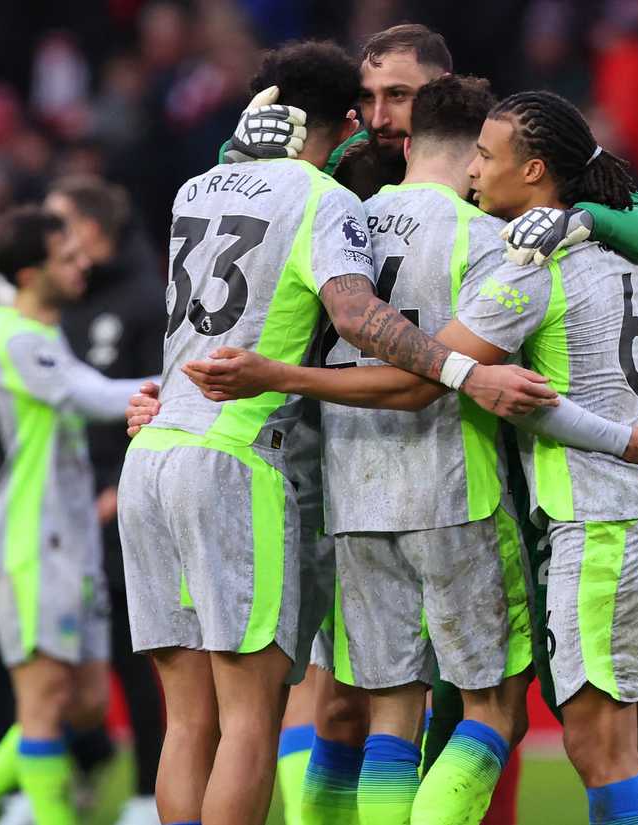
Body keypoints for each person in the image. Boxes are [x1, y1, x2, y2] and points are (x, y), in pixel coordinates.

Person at [151, 73, 638, 825]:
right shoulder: (499, 241)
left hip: (350, 489)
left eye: (391, 96)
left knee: (382, 717)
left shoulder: (345, 214)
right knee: (498, 705)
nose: (374, 115)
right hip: (458, 487)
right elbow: (449, 377)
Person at [113, 41, 554, 825]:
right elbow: (355, 315)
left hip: (157, 446)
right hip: (246, 456)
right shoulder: (327, 199)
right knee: (253, 717)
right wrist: (462, 372)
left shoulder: (193, 189)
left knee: (188, 721)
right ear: (346, 120)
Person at [0, 206, 155, 825]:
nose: (84, 264)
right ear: (31, 273)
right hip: (25, 540)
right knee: (44, 698)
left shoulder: (43, 331)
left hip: (68, 539)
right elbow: (92, 396)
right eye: (68, 258)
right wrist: (184, 383)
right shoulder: (11, 336)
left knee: (83, 702)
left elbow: (86, 386)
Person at [46, 175, 168, 825]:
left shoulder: (146, 301)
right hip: (60, 505)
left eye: (60, 223)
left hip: (118, 505)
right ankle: (88, 752)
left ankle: (150, 792)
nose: (51, 237)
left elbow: (157, 395)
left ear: (94, 231)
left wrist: (122, 483)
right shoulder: (56, 299)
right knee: (63, 661)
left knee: (133, 652)